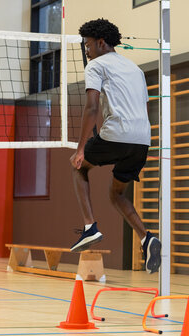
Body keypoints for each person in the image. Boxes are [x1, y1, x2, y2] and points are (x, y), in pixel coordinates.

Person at [68, 18, 161, 274]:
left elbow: (92, 108)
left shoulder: (95, 65)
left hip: (116, 135)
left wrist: (80, 149)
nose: (86, 51)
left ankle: (89, 228)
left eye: (87, 45)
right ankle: (146, 238)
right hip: (142, 141)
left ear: (100, 42)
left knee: (78, 168)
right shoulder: (136, 69)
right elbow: (141, 107)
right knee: (116, 194)